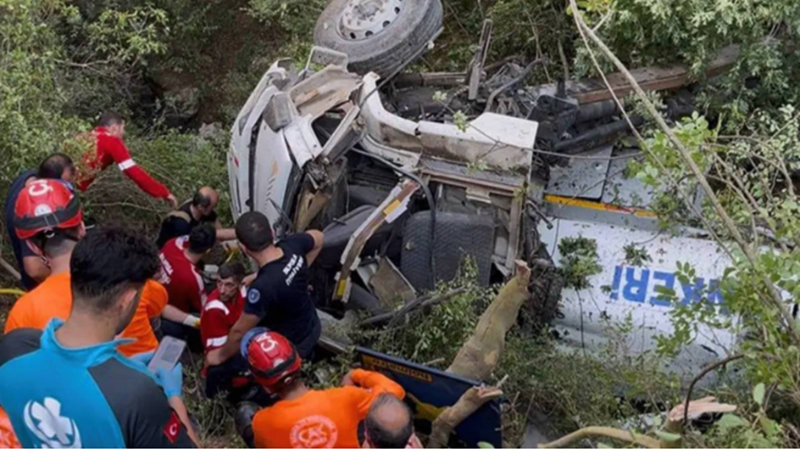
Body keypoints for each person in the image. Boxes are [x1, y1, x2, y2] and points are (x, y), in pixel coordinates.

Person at [0, 227, 198, 447]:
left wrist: (112, 375)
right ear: (128, 300)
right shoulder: (139, 397)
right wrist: (173, 396)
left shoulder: (14, 347)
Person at [5, 179, 169, 357]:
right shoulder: (129, 278)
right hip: (146, 379)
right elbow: (158, 305)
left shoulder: (23, 311)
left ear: (34, 247)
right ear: (82, 227)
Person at [242, 329, 405, 448]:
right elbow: (395, 392)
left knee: (244, 415)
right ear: (299, 361)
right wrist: (356, 374)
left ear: (264, 384)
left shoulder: (262, 423)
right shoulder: (345, 398)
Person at [206, 212, 323, 367]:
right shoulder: (292, 245)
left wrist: (219, 356)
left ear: (244, 248)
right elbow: (319, 237)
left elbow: (239, 332)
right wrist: (300, 270)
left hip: (290, 344)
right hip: (312, 324)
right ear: (272, 233)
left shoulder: (262, 289)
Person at [3, 153, 75, 290]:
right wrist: (68, 286)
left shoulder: (27, 177)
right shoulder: (34, 213)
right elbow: (34, 269)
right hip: (44, 289)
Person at [76, 111, 177, 208]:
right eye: (122, 129)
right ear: (114, 128)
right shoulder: (112, 141)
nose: (123, 133)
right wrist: (164, 193)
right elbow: (133, 172)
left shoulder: (83, 136)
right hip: (72, 190)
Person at [158, 223, 216, 345]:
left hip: (155, 294)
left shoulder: (172, 243)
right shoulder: (193, 278)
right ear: (208, 250)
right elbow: (204, 307)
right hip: (171, 311)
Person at [201, 262, 250, 400]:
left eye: (229, 285)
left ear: (239, 285)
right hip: (226, 352)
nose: (222, 290)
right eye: (219, 283)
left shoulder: (242, 294)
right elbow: (217, 353)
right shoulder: (214, 310)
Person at [156, 186, 236, 248]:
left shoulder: (201, 209)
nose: (214, 209)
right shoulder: (182, 224)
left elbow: (216, 225)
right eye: (213, 206)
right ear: (201, 207)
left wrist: (225, 242)